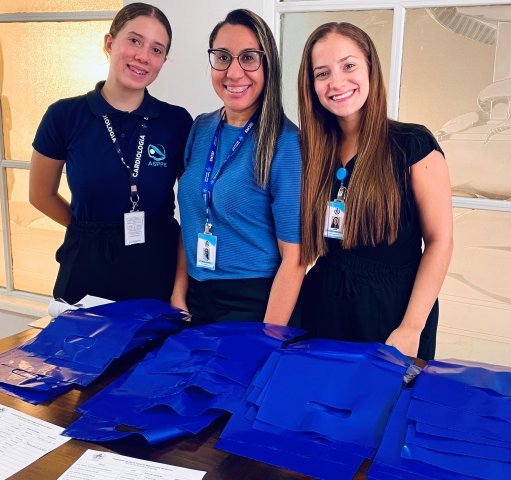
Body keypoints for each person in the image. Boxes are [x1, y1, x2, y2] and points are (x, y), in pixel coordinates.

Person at [297, 22, 453, 360]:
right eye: (322, 73)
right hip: (321, 311)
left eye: (348, 66)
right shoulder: (311, 150)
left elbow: (440, 241)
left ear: (370, 68)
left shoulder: (412, 144)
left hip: (392, 316)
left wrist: (411, 327)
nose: (337, 82)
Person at [29, 3, 192, 304]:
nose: (143, 56)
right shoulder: (64, 115)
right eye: (135, 40)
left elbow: (194, 204)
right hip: (86, 270)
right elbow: (40, 195)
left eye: (156, 50)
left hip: (157, 270)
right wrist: (88, 230)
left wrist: (180, 290)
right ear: (109, 43)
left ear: (163, 60)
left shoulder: (176, 121)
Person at [171, 9, 305, 326]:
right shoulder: (201, 127)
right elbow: (191, 217)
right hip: (195, 298)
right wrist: (178, 291)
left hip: (254, 304)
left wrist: (268, 335)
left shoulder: (287, 142)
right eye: (222, 57)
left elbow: (295, 258)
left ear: (267, 64)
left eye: (248, 58)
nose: (233, 72)